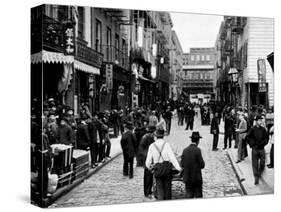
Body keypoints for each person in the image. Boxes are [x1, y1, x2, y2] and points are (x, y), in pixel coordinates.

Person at [145, 126, 181, 200]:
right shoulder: (166, 145)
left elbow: (147, 162)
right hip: (167, 168)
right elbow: (172, 158)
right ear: (163, 136)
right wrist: (179, 168)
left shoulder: (152, 146)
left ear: (156, 136)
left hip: (157, 169)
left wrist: (150, 168)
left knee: (159, 189)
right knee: (168, 189)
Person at [181, 132, 205, 198]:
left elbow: (182, 164)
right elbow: (202, 165)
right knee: (198, 197)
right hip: (196, 178)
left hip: (188, 178)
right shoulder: (198, 150)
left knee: (189, 196)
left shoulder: (185, 150)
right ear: (198, 141)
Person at [246, 115, 269, 185]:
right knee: (255, 164)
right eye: (259, 120)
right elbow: (248, 137)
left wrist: (263, 144)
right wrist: (252, 144)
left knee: (262, 163)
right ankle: (256, 178)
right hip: (255, 149)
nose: (261, 121)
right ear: (256, 121)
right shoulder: (252, 129)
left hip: (261, 148)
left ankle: (259, 173)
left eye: (261, 120)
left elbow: (266, 138)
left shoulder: (263, 129)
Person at [138, 126, 156, 198]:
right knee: (147, 176)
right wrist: (148, 155)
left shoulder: (150, 138)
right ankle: (147, 192)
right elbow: (141, 149)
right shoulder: (145, 138)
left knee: (150, 176)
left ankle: (149, 190)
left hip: (151, 159)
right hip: (147, 159)